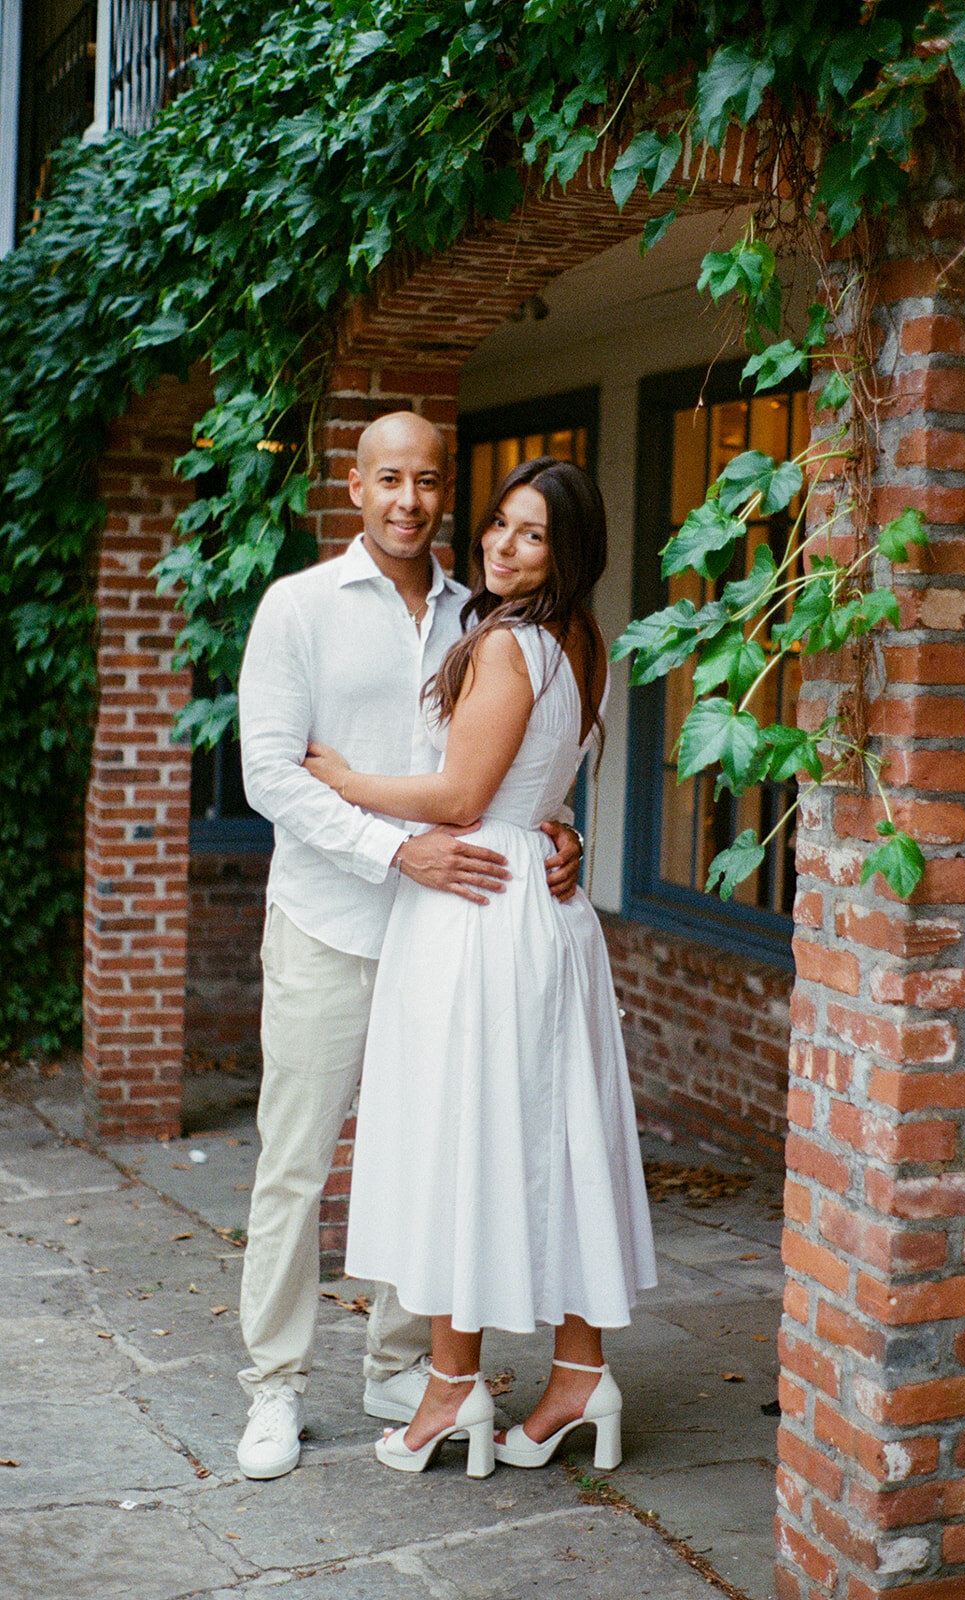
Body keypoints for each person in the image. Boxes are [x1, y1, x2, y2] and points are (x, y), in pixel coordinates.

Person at [235, 413, 582, 1480]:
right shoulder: (298, 606)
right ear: (355, 485)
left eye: (427, 481)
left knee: (424, 1156)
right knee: (297, 1165)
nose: (408, 501)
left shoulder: (481, 614)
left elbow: (513, 759)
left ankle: (398, 1364)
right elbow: (270, 773)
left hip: (448, 937)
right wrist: (396, 851)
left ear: (444, 492)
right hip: (330, 923)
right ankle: (275, 1385)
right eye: (389, 478)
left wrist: (558, 831)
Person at [303, 457, 657, 1480]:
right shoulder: (579, 637)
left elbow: (461, 797)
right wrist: (557, 829)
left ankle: (452, 1388)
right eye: (500, 523)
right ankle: (578, 1374)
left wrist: (343, 777)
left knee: (463, 1141)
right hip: (538, 902)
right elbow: (534, 779)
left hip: (478, 902)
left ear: (568, 550)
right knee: (557, 1138)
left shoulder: (505, 641)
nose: (502, 545)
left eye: (531, 533)